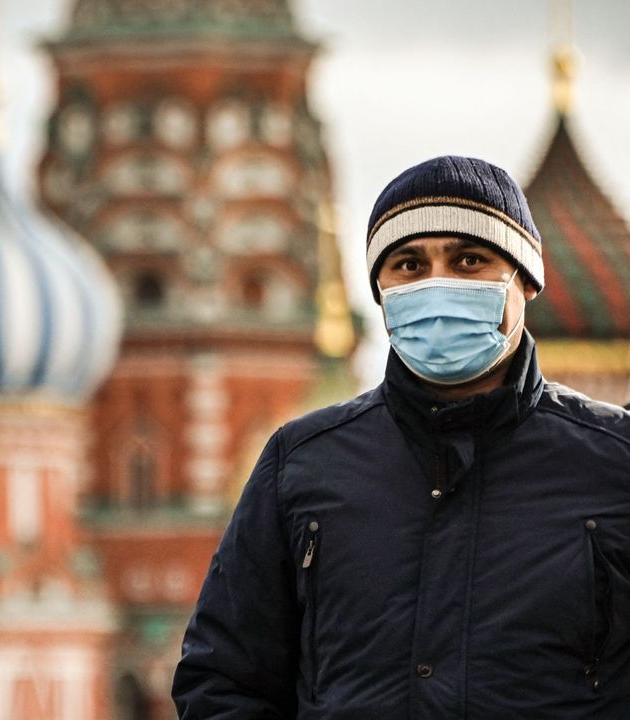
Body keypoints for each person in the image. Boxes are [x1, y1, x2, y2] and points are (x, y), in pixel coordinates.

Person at [172, 156, 630, 718]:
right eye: (410, 265)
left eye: (469, 260)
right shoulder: (304, 464)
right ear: (380, 291)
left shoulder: (613, 463)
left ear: (527, 279)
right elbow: (223, 680)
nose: (438, 284)